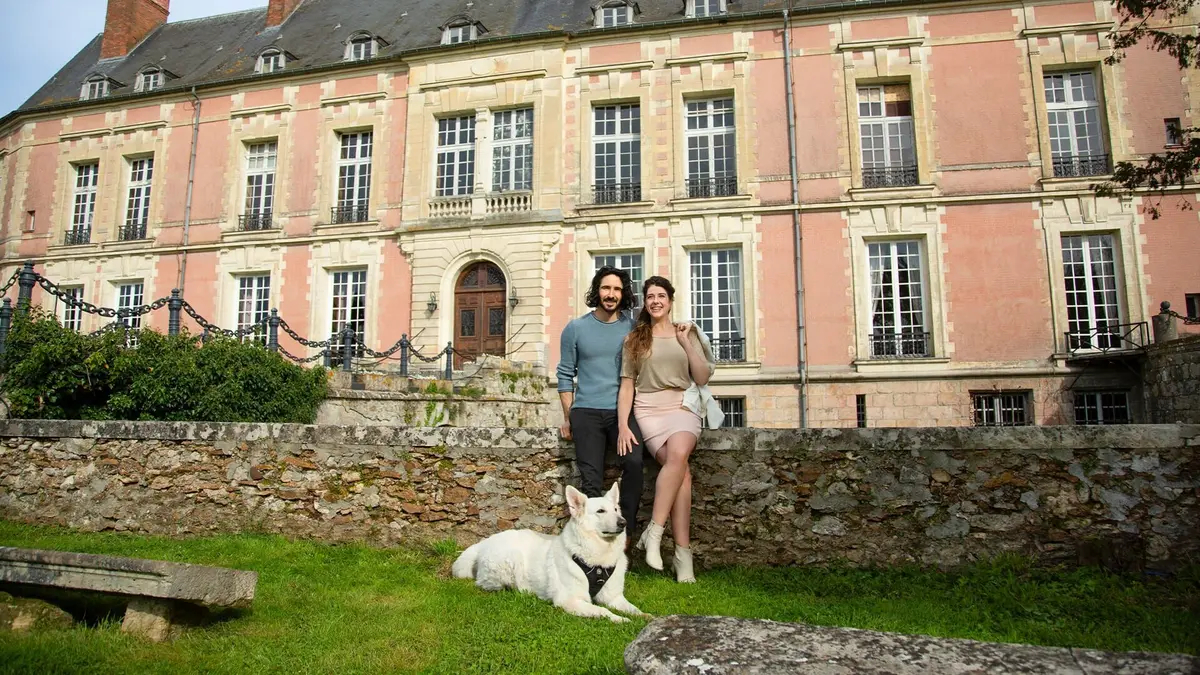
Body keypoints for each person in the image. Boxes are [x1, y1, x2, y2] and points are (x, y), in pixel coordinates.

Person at [617, 276, 722, 583]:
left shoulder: (687, 332)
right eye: (650, 296)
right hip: (649, 410)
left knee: (677, 455)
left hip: (683, 406)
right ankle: (682, 556)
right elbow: (627, 387)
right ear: (645, 302)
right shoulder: (634, 339)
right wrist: (623, 425)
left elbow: (701, 377)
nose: (656, 301)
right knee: (682, 472)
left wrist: (686, 341)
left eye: (661, 295)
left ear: (670, 300)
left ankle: (654, 531)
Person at [556, 266, 645, 544]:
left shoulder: (632, 328)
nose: (611, 294)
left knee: (634, 463)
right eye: (606, 288)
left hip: (622, 412)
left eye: (617, 289)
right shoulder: (576, 328)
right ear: (597, 290)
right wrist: (568, 417)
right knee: (591, 479)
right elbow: (565, 374)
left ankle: (625, 532)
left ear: (624, 294)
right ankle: (592, 542)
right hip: (586, 412)